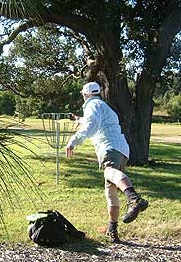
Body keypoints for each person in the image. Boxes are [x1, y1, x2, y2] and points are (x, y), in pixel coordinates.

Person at [66, 82, 148, 243]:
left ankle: (134, 198)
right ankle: (112, 230)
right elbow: (95, 121)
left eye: (83, 94)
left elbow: (91, 124)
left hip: (109, 147)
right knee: (110, 190)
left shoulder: (92, 105)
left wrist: (73, 141)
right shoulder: (102, 106)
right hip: (121, 149)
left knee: (108, 171)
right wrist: (79, 119)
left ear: (86, 94)